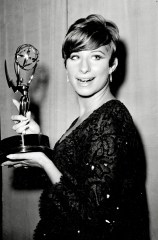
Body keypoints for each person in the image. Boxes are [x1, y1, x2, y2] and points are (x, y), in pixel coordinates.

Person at [1, 14, 150, 240]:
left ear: (113, 65)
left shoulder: (110, 118)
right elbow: (75, 179)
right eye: (75, 56)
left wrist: (43, 162)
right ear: (66, 66)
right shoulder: (88, 118)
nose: (83, 68)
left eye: (96, 56)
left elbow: (93, 218)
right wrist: (37, 141)